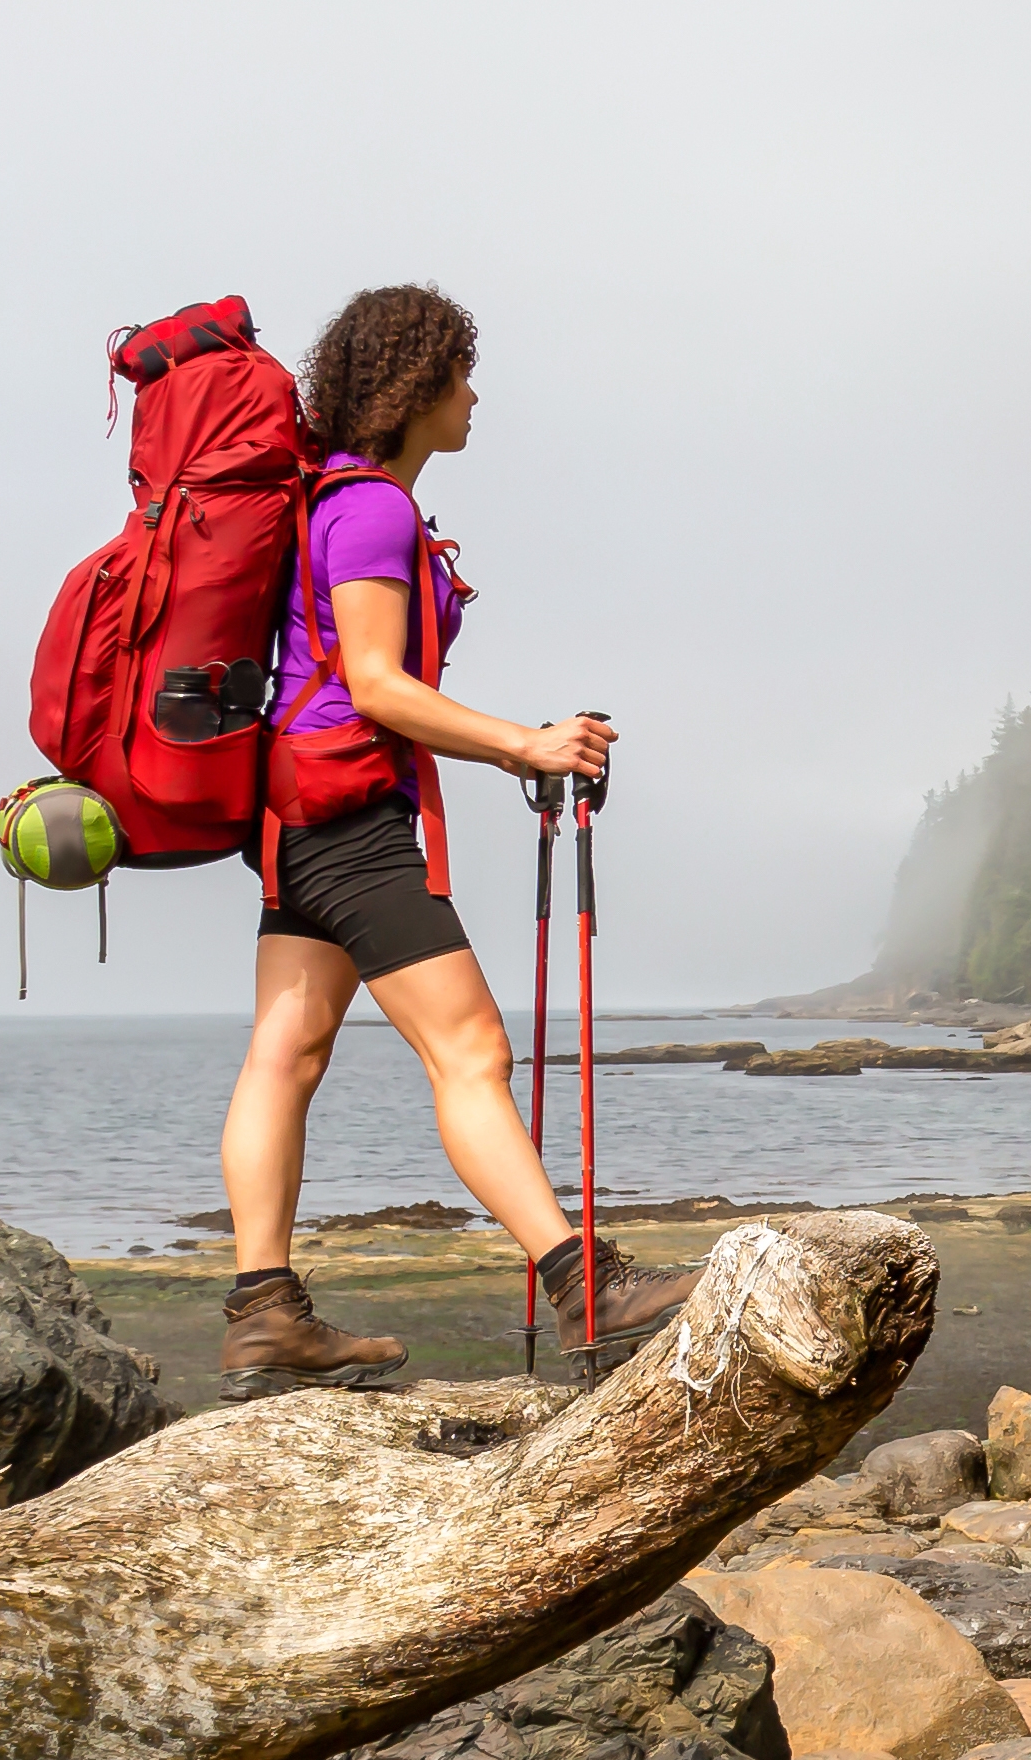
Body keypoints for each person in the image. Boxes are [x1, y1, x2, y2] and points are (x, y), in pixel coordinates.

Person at [212, 284, 700, 1393]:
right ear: (417, 385)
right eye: (461, 373)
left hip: (291, 816)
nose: (475, 395)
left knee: (283, 1056)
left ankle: (263, 1314)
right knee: (471, 1051)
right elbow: (376, 685)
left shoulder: (328, 501)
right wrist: (526, 747)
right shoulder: (372, 508)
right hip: (349, 817)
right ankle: (589, 1284)